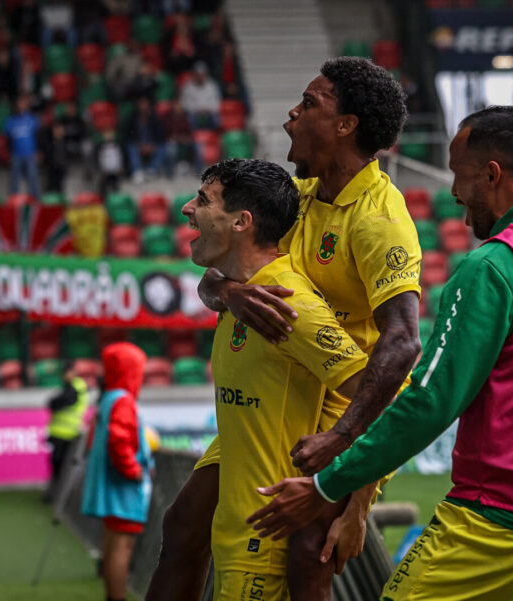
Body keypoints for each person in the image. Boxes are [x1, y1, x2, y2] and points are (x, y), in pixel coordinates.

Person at [248, 106, 513, 601]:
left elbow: (431, 401)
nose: (453, 193)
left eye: (459, 174)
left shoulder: (492, 266)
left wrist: (328, 485)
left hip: (498, 519)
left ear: (491, 175)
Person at [147, 57, 421, 601]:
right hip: (283, 394)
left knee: (307, 546)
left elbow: (404, 344)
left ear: (345, 125)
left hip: (352, 405)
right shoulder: (298, 198)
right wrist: (228, 294)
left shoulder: (378, 219)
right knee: (183, 524)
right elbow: (214, 277)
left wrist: (355, 483)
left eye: (310, 103)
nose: (291, 113)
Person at [182, 158, 374, 601]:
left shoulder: (290, 305)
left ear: (241, 222)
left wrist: (346, 496)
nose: (186, 208)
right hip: (235, 538)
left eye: (203, 200)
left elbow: (381, 400)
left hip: (261, 547)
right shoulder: (242, 294)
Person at [82, 342, 154, 601]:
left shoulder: (108, 398)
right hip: (123, 489)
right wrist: (134, 470)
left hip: (111, 488)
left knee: (113, 544)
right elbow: (119, 440)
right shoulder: (123, 401)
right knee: (123, 547)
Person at [45, 363, 89, 502]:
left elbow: (61, 401)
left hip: (68, 433)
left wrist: (54, 402)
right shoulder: (71, 386)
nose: (65, 375)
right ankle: (58, 493)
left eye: (67, 372)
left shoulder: (76, 386)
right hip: (61, 432)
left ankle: (62, 495)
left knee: (62, 464)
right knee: (58, 464)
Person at [4, 94, 41, 198]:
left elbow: (39, 136)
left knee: (33, 178)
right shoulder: (11, 121)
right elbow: (7, 139)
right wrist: (9, 154)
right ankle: (13, 202)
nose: (21, 105)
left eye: (24, 103)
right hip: (16, 155)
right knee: (14, 180)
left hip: (30, 154)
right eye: (19, 103)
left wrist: (38, 151)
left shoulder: (32, 119)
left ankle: (36, 202)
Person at [179, 62, 221, 130]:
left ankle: (215, 137)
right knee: (189, 120)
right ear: (194, 75)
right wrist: (199, 111)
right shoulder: (187, 87)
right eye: (198, 74)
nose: (200, 77)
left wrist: (206, 110)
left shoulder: (213, 85)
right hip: (194, 114)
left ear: (206, 74)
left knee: (216, 120)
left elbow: (216, 104)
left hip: (209, 113)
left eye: (202, 74)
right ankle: (194, 138)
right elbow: (185, 104)